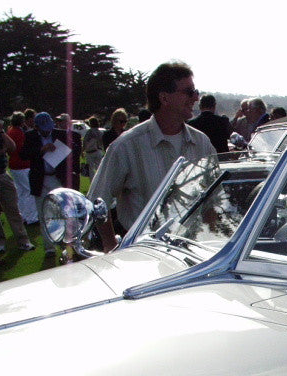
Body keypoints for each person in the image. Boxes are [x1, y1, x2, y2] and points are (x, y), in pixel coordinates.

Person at [88, 61, 216, 252]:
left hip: (194, 253)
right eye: (189, 92)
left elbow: (213, 202)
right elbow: (98, 201)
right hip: (143, 254)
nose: (196, 98)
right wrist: (110, 244)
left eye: (195, 91)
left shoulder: (202, 143)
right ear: (164, 98)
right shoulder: (126, 146)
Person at [21, 112, 82, 256]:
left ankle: (66, 243)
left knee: (63, 212)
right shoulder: (30, 136)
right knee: (44, 214)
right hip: (40, 179)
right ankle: (49, 247)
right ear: (36, 127)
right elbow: (23, 154)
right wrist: (41, 150)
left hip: (57, 177)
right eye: (43, 128)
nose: (46, 131)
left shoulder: (60, 134)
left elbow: (74, 149)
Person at [0, 104, 35, 254]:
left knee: (13, 209)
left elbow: (12, 147)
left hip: (3, 173)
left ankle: (23, 241)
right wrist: (1, 151)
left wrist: (1, 131)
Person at [6, 111, 38, 224]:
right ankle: (31, 217)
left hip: (14, 164)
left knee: (21, 191)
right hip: (22, 165)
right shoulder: (19, 133)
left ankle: (23, 215)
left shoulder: (10, 131)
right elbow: (21, 149)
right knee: (29, 191)